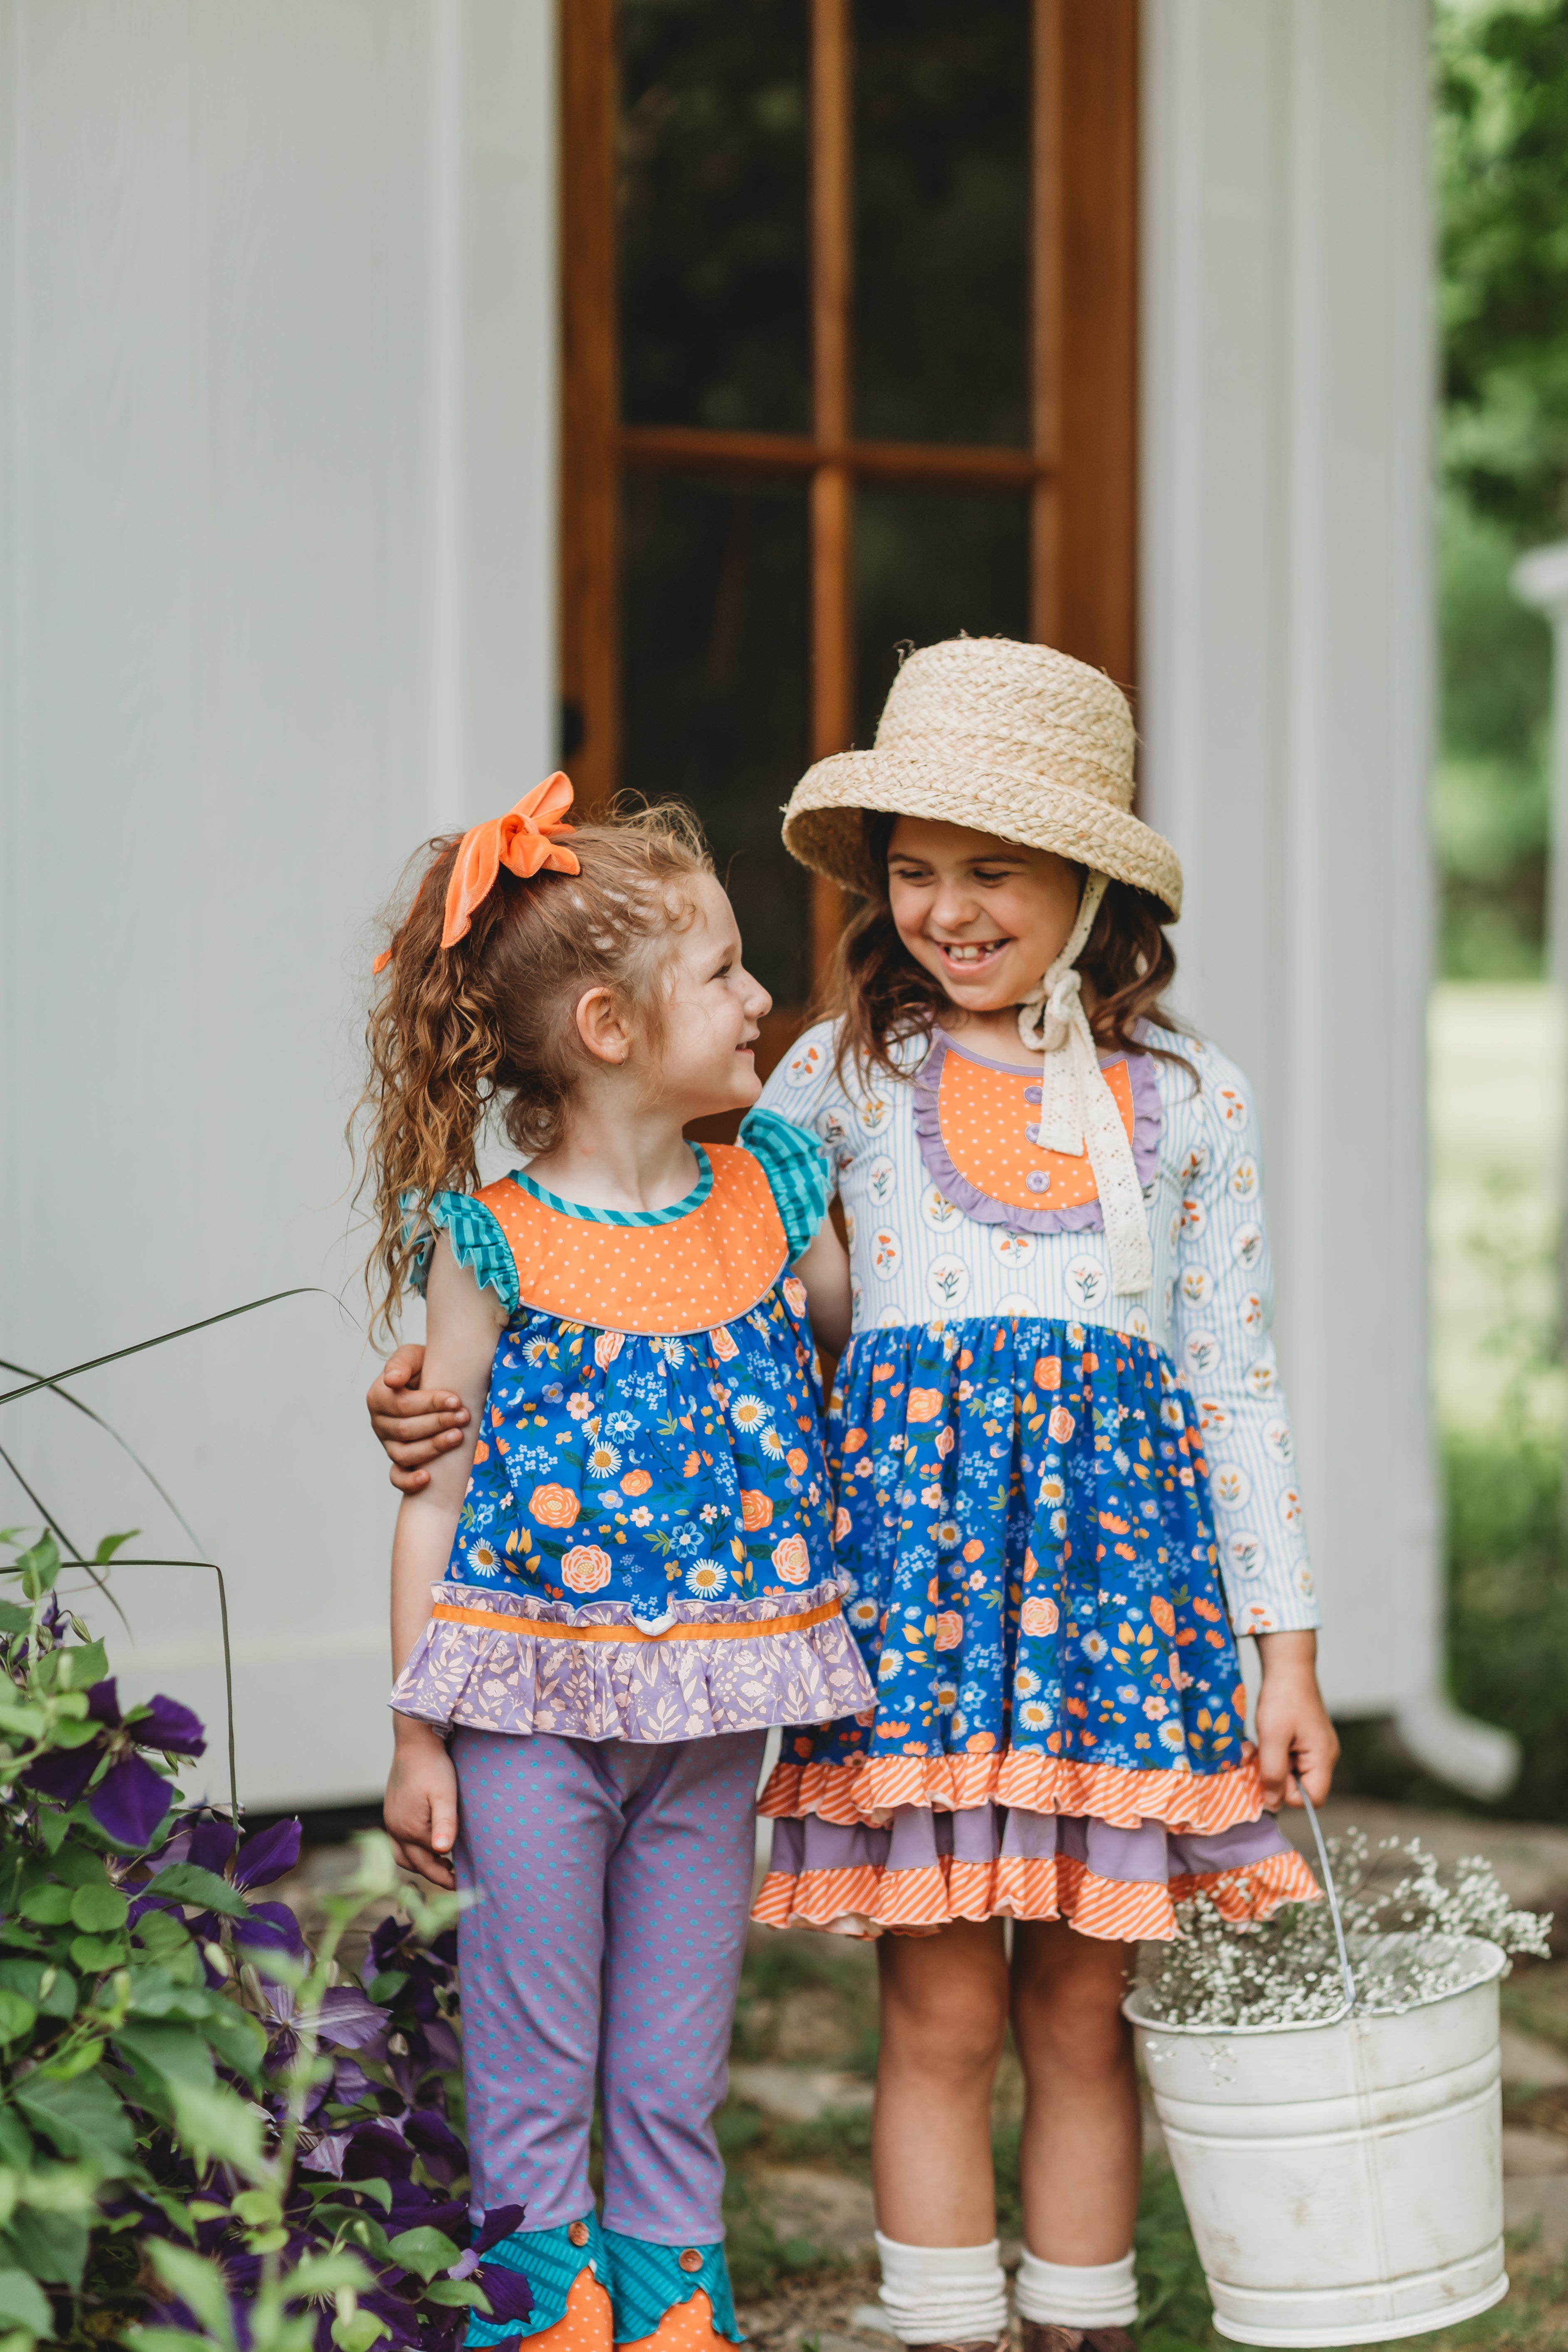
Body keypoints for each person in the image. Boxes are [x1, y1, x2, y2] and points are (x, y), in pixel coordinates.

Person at [370, 641, 1339, 2352]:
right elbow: (676, 1258)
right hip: (913, 1624)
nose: (948, 911)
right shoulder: (832, 1085)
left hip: (1119, 1627)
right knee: (941, 2006)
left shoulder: (1189, 1102)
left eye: (994, 870)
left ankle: (1084, 2321)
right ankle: (941, 2321)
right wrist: (449, 1404)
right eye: (914, 871)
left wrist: (1286, 1643)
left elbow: (1234, 1381)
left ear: (1088, 877)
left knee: (1083, 2015)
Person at [359, 773, 874, 2352]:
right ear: (604, 1026)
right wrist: (413, 1733)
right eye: (721, 972)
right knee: (531, 2034)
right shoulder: (490, 1238)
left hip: (718, 1707)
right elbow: (434, 1493)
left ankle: (670, 2302)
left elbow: (861, 1375)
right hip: (526, 1711)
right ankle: (540, 2308)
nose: (760, 997)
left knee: (671, 2038)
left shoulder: (779, 1197)